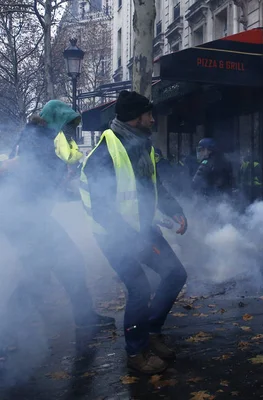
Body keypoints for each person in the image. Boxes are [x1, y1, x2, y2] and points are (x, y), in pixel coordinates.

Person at [80, 90, 189, 374]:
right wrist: (130, 238)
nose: (153, 120)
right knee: (139, 288)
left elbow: (154, 185)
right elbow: (100, 207)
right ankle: (136, 353)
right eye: (149, 115)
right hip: (114, 235)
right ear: (135, 118)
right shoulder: (105, 151)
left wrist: (174, 209)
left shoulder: (143, 146)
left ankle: (152, 331)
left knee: (175, 274)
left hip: (142, 228)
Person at [0, 101, 114, 332]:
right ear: (57, 121)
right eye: (69, 125)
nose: (71, 131)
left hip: (32, 218)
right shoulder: (38, 138)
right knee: (38, 275)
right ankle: (6, 333)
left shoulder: (43, 138)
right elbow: (26, 170)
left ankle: (84, 317)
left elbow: (47, 183)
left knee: (68, 263)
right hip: (26, 220)